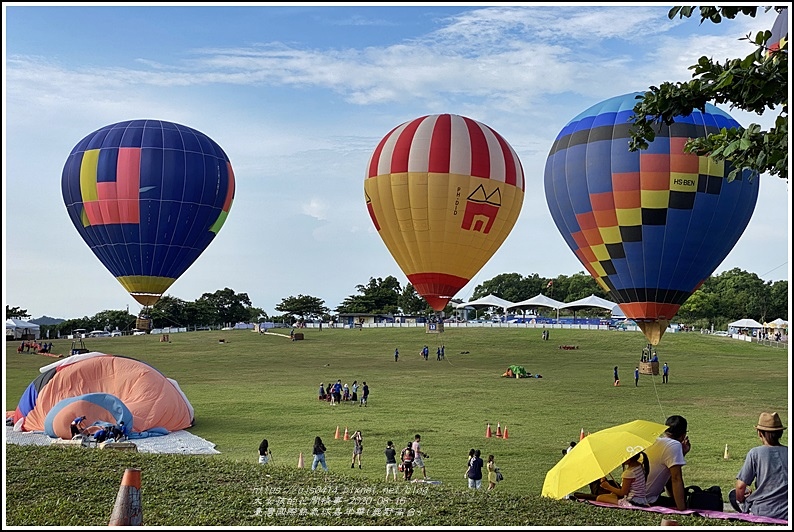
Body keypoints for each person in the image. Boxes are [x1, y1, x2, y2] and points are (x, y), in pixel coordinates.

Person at [731, 412, 788, 520]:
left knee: (740, 497)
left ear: (759, 433)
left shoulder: (755, 453)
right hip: (786, 512)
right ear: (780, 433)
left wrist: (740, 500)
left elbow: (740, 486)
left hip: (762, 511)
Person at [645, 415, 690, 510]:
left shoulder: (654, 440)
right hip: (646, 500)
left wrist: (682, 454)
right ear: (683, 435)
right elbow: (676, 479)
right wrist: (682, 510)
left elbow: (667, 474)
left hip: (632, 495)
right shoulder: (674, 445)